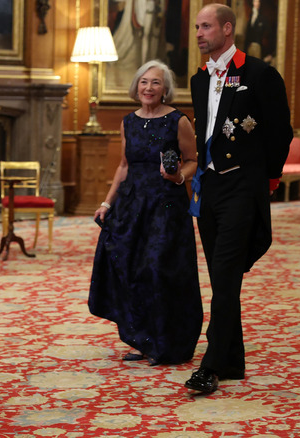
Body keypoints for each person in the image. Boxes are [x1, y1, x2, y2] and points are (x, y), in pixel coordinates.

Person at [185, 4, 292, 394]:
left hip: (243, 188)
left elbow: (281, 130)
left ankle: (210, 366)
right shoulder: (199, 79)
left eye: (206, 26)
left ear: (227, 29)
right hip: (210, 188)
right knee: (221, 278)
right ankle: (232, 360)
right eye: (197, 26)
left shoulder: (259, 73)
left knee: (227, 276)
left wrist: (268, 179)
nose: (198, 32)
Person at [89, 60, 202, 367]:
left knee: (159, 269)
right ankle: (141, 340)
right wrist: (107, 203)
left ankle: (167, 341)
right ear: (136, 86)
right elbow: (124, 166)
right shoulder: (128, 121)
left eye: (155, 83)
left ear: (165, 89)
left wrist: (179, 177)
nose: (148, 88)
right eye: (143, 82)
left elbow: (192, 160)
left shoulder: (178, 120)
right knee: (131, 270)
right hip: (131, 204)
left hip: (166, 205)